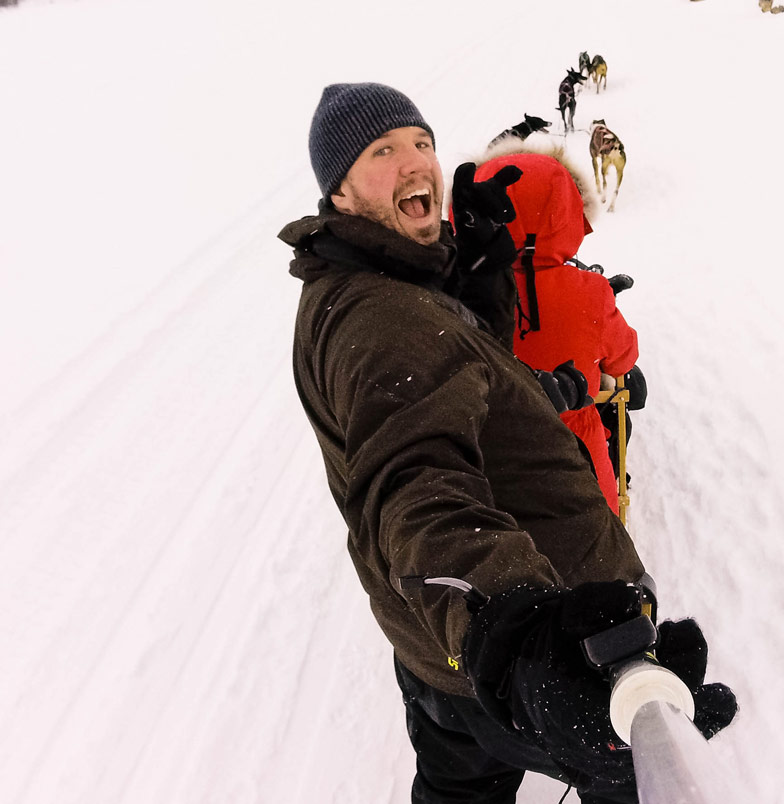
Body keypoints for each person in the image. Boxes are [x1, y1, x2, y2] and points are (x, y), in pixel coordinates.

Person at [278, 82, 736, 804]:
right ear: (337, 190)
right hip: (535, 634)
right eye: (383, 151)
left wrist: (486, 303)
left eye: (421, 142)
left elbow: (453, 386)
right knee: (623, 778)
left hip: (434, 654)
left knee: (458, 787)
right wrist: (518, 634)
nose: (415, 163)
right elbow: (418, 488)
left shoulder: (366, 279)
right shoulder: (384, 320)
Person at [474, 150, 638, 515]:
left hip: (489, 453)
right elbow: (623, 355)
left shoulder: (463, 292)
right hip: (575, 450)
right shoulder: (591, 291)